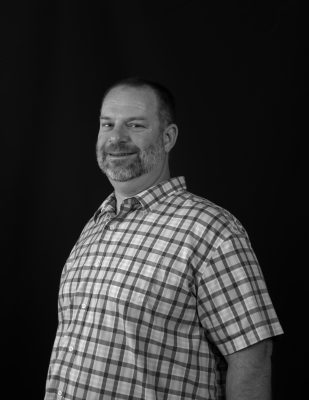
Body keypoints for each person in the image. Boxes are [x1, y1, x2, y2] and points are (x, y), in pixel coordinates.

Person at [45, 77, 283, 400]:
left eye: (135, 125)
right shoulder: (95, 226)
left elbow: (252, 360)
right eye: (107, 124)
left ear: (168, 137)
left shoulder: (211, 230)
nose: (116, 138)